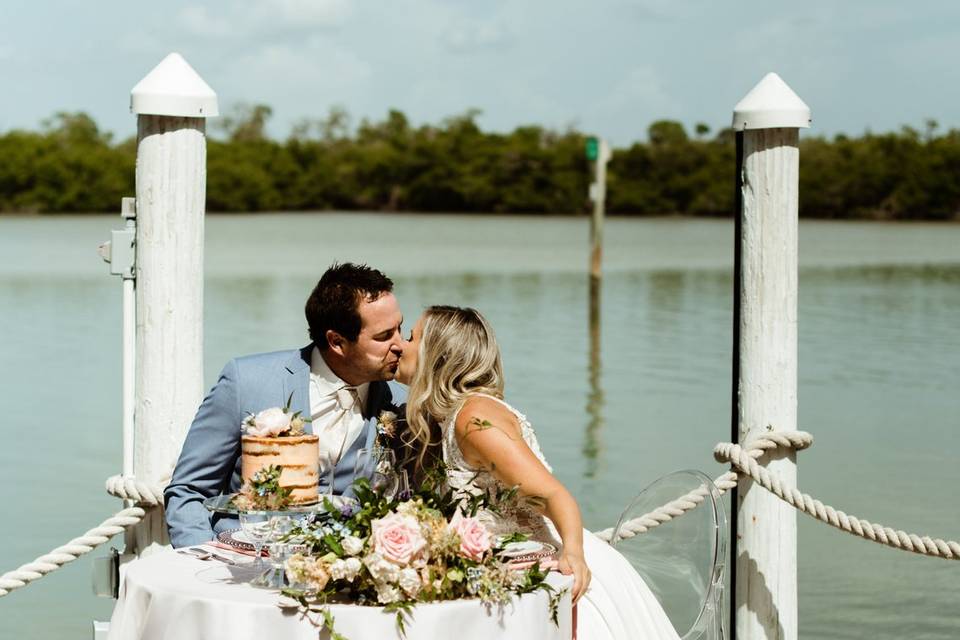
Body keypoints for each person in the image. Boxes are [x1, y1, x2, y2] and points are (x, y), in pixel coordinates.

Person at [396, 305, 680, 640]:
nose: (400, 344)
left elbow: (553, 495)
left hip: (549, 571)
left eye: (411, 337)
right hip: (507, 572)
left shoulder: (473, 421)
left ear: (437, 355)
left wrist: (572, 556)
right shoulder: (450, 417)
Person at [164, 263, 407, 548]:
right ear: (337, 341)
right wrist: (202, 560)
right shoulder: (246, 382)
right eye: (384, 336)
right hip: (242, 565)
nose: (400, 345)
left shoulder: (398, 406)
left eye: (400, 329)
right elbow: (188, 490)